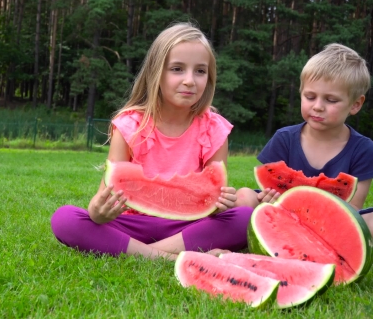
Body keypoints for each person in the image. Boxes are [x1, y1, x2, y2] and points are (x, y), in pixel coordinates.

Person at [50, 23, 254, 260]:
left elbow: (213, 199)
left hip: (186, 226)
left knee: (244, 218)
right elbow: (103, 199)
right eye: (177, 69)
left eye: (200, 71)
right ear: (156, 72)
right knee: (64, 219)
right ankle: (168, 257)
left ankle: (138, 253)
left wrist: (220, 204)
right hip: (131, 224)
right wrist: (98, 212)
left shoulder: (214, 129)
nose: (190, 80)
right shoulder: (129, 126)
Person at [235, 43, 373, 237]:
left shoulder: (364, 148)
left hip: (332, 223)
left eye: (331, 100)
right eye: (310, 97)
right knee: (244, 196)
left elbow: (352, 207)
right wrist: (269, 199)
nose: (317, 106)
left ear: (355, 104)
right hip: (283, 214)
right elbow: (271, 193)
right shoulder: (284, 138)